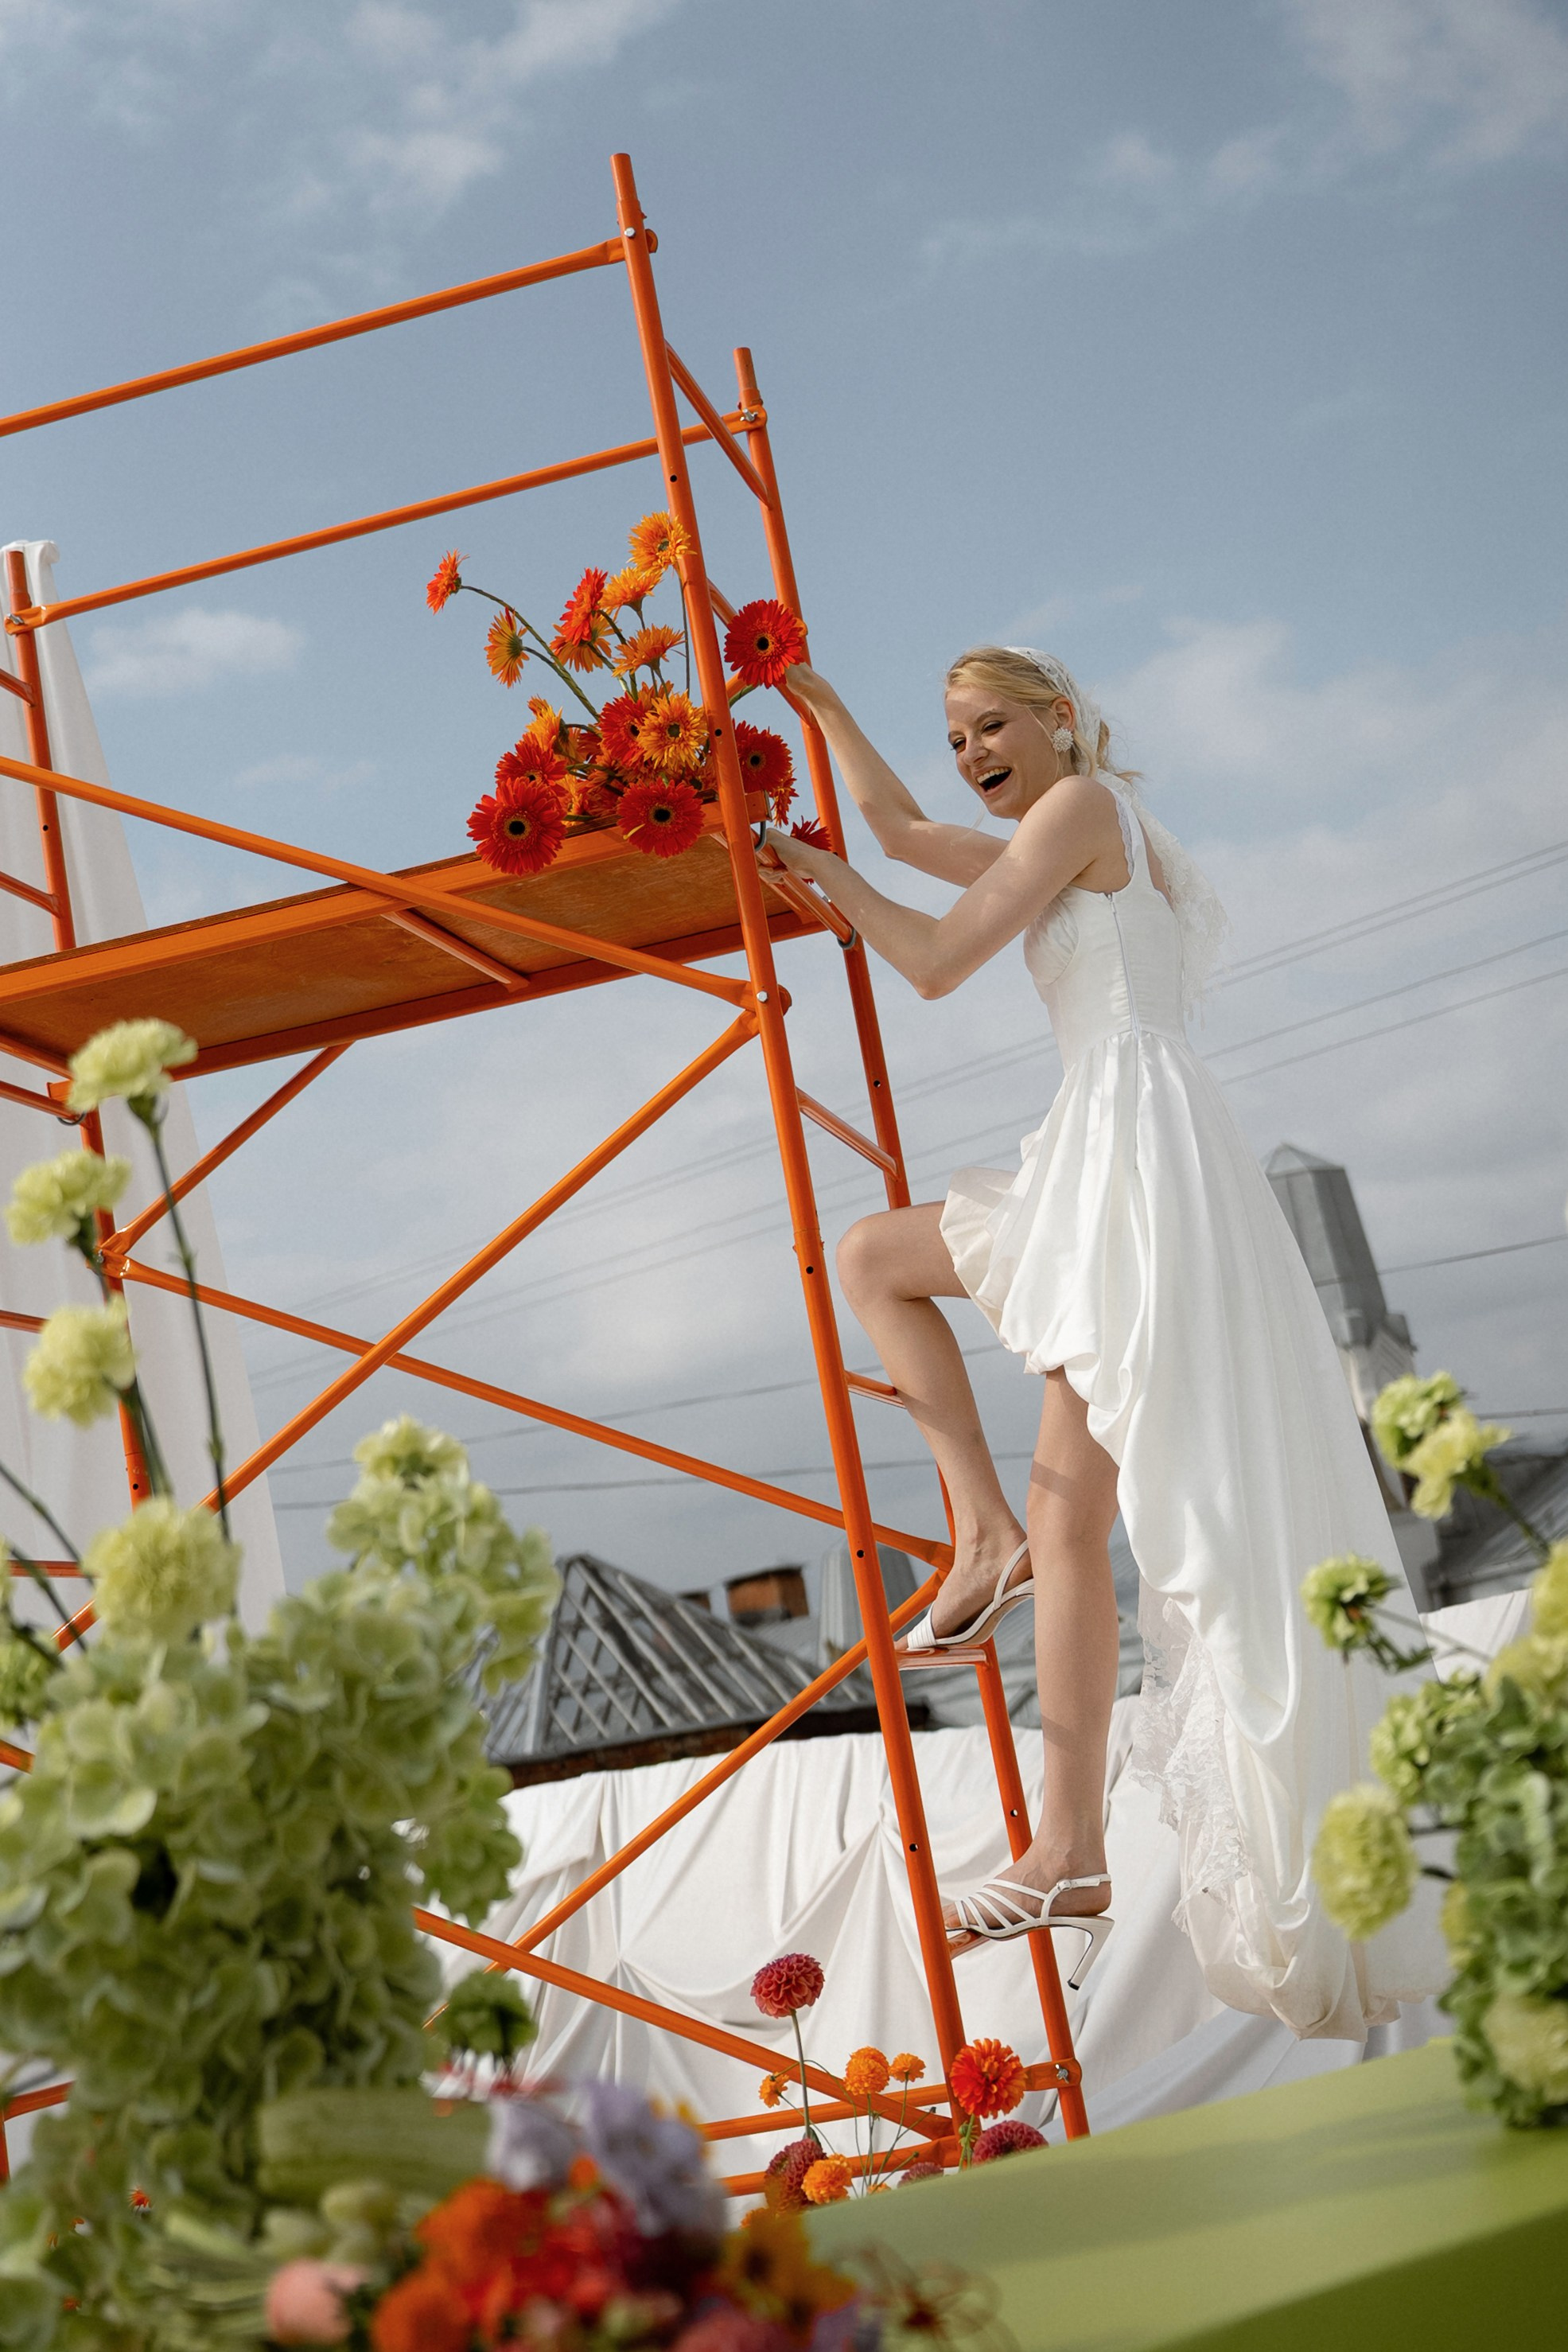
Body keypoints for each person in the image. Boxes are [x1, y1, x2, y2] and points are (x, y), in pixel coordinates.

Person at [757, 645, 1442, 2040]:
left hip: (1134, 1162)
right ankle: (992, 1557)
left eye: (990, 727)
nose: (971, 756)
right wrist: (822, 709)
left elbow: (940, 960)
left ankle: (1064, 1834)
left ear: (1060, 721)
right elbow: (896, 834)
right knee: (894, 1284)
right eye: (955, 738)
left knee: (1064, 1491)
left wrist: (823, 884)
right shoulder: (1053, 829)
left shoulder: (1080, 813)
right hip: (1112, 1151)